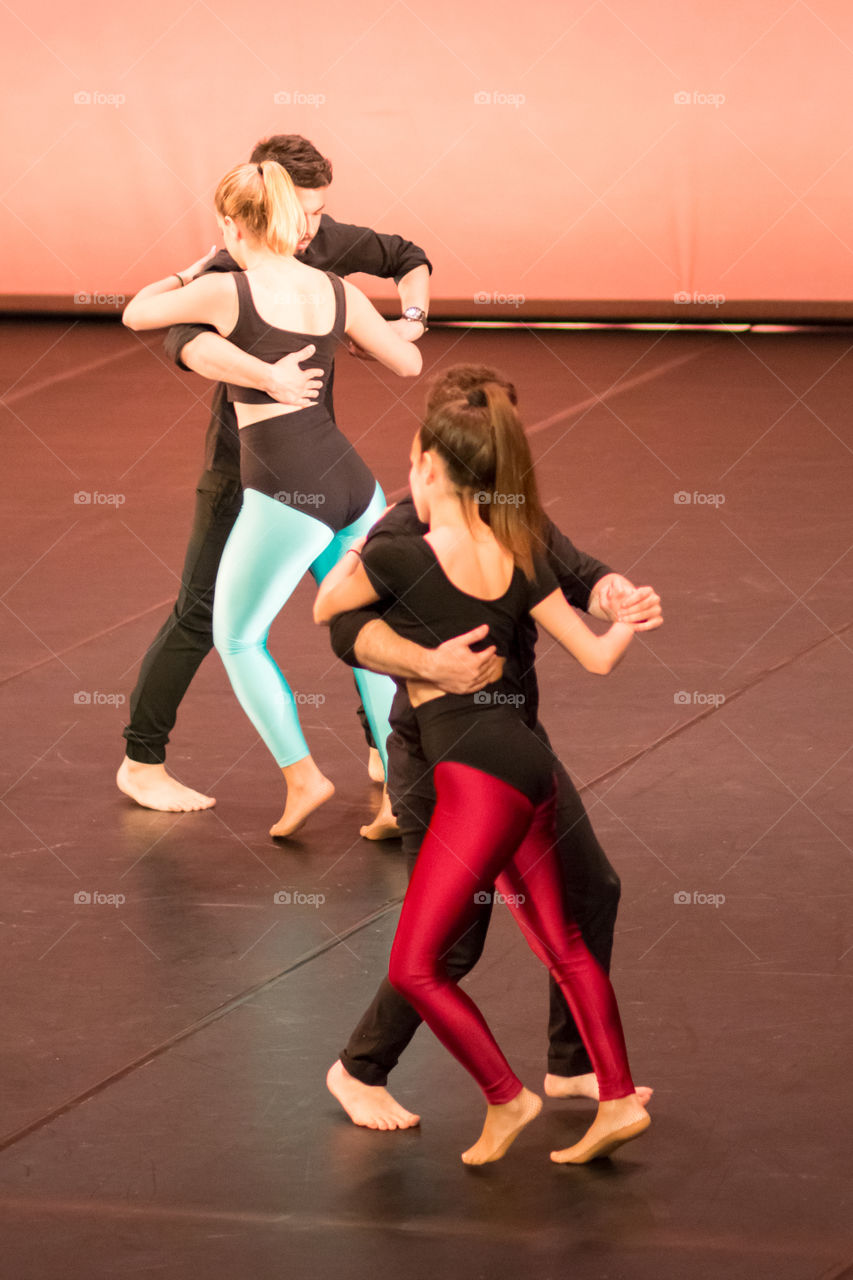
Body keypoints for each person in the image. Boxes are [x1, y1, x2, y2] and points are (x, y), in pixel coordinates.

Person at [314, 380, 658, 1164]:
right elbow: (344, 635)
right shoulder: (405, 529)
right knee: (454, 946)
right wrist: (426, 659)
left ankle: (569, 1077)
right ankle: (359, 1069)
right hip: (437, 757)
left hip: (506, 745)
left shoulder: (508, 519)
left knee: (588, 890)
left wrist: (616, 595)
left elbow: (577, 570)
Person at [117, 134, 431, 814]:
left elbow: (138, 313)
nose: (316, 225)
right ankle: (144, 761)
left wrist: (403, 318)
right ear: (283, 208)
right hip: (338, 476)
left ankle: (310, 777)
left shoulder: (227, 285)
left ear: (233, 220)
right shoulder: (325, 286)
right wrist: (360, 339)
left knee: (236, 634)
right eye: (306, 212)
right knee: (359, 620)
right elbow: (185, 345)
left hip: (287, 487)